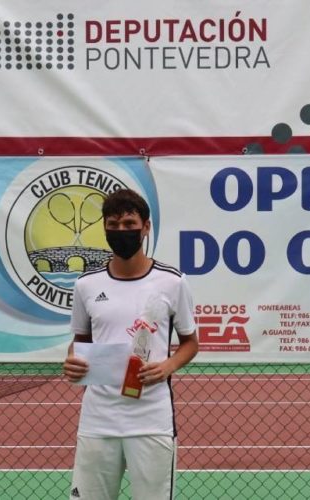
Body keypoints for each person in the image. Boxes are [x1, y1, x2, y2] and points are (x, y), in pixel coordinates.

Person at [63, 188, 198, 500]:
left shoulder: (172, 281)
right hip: (98, 419)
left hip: (151, 418)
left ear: (145, 227)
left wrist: (168, 365)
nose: (120, 231)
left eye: (128, 224)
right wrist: (72, 361)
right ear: (105, 229)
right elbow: (80, 342)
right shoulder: (86, 285)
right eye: (113, 225)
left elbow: (190, 342)